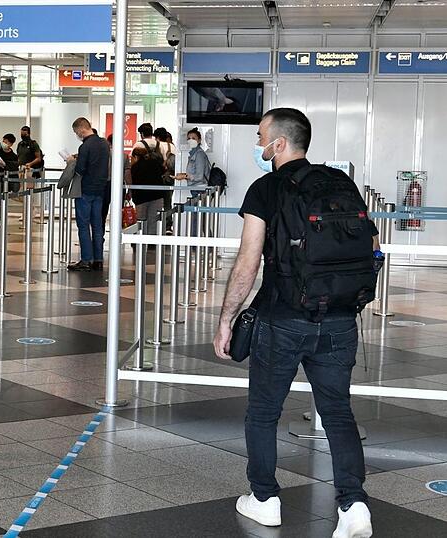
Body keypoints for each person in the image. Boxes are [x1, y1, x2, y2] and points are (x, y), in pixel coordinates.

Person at [213, 108, 374, 538]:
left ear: (279, 144)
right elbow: (371, 244)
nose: (258, 144)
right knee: (337, 412)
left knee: (264, 413)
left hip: (282, 319)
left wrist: (227, 319)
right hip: (340, 319)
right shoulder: (341, 184)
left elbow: (248, 262)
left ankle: (265, 499)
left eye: (261, 136)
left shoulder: (266, 188)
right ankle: (353, 505)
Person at [67, 118, 110, 272]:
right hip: (100, 189)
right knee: (97, 225)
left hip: (85, 189)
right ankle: (98, 260)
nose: (76, 134)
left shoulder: (85, 146)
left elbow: (80, 170)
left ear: (81, 129)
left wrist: (72, 161)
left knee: (83, 225)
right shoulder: (104, 144)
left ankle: (86, 260)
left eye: (76, 132)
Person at [129, 147, 165, 234]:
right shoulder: (154, 163)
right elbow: (163, 171)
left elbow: (132, 181)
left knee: (141, 221)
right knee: (153, 221)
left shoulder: (135, 167)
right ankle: (151, 239)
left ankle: (140, 239)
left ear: (135, 156)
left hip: (141, 198)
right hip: (157, 195)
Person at [177, 127, 210, 195]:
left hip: (200, 189)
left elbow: (199, 176)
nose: (190, 141)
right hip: (196, 188)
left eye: (193, 138)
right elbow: (194, 172)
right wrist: (183, 175)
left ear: (199, 140)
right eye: (189, 139)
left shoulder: (199, 154)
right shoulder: (193, 154)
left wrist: (184, 176)